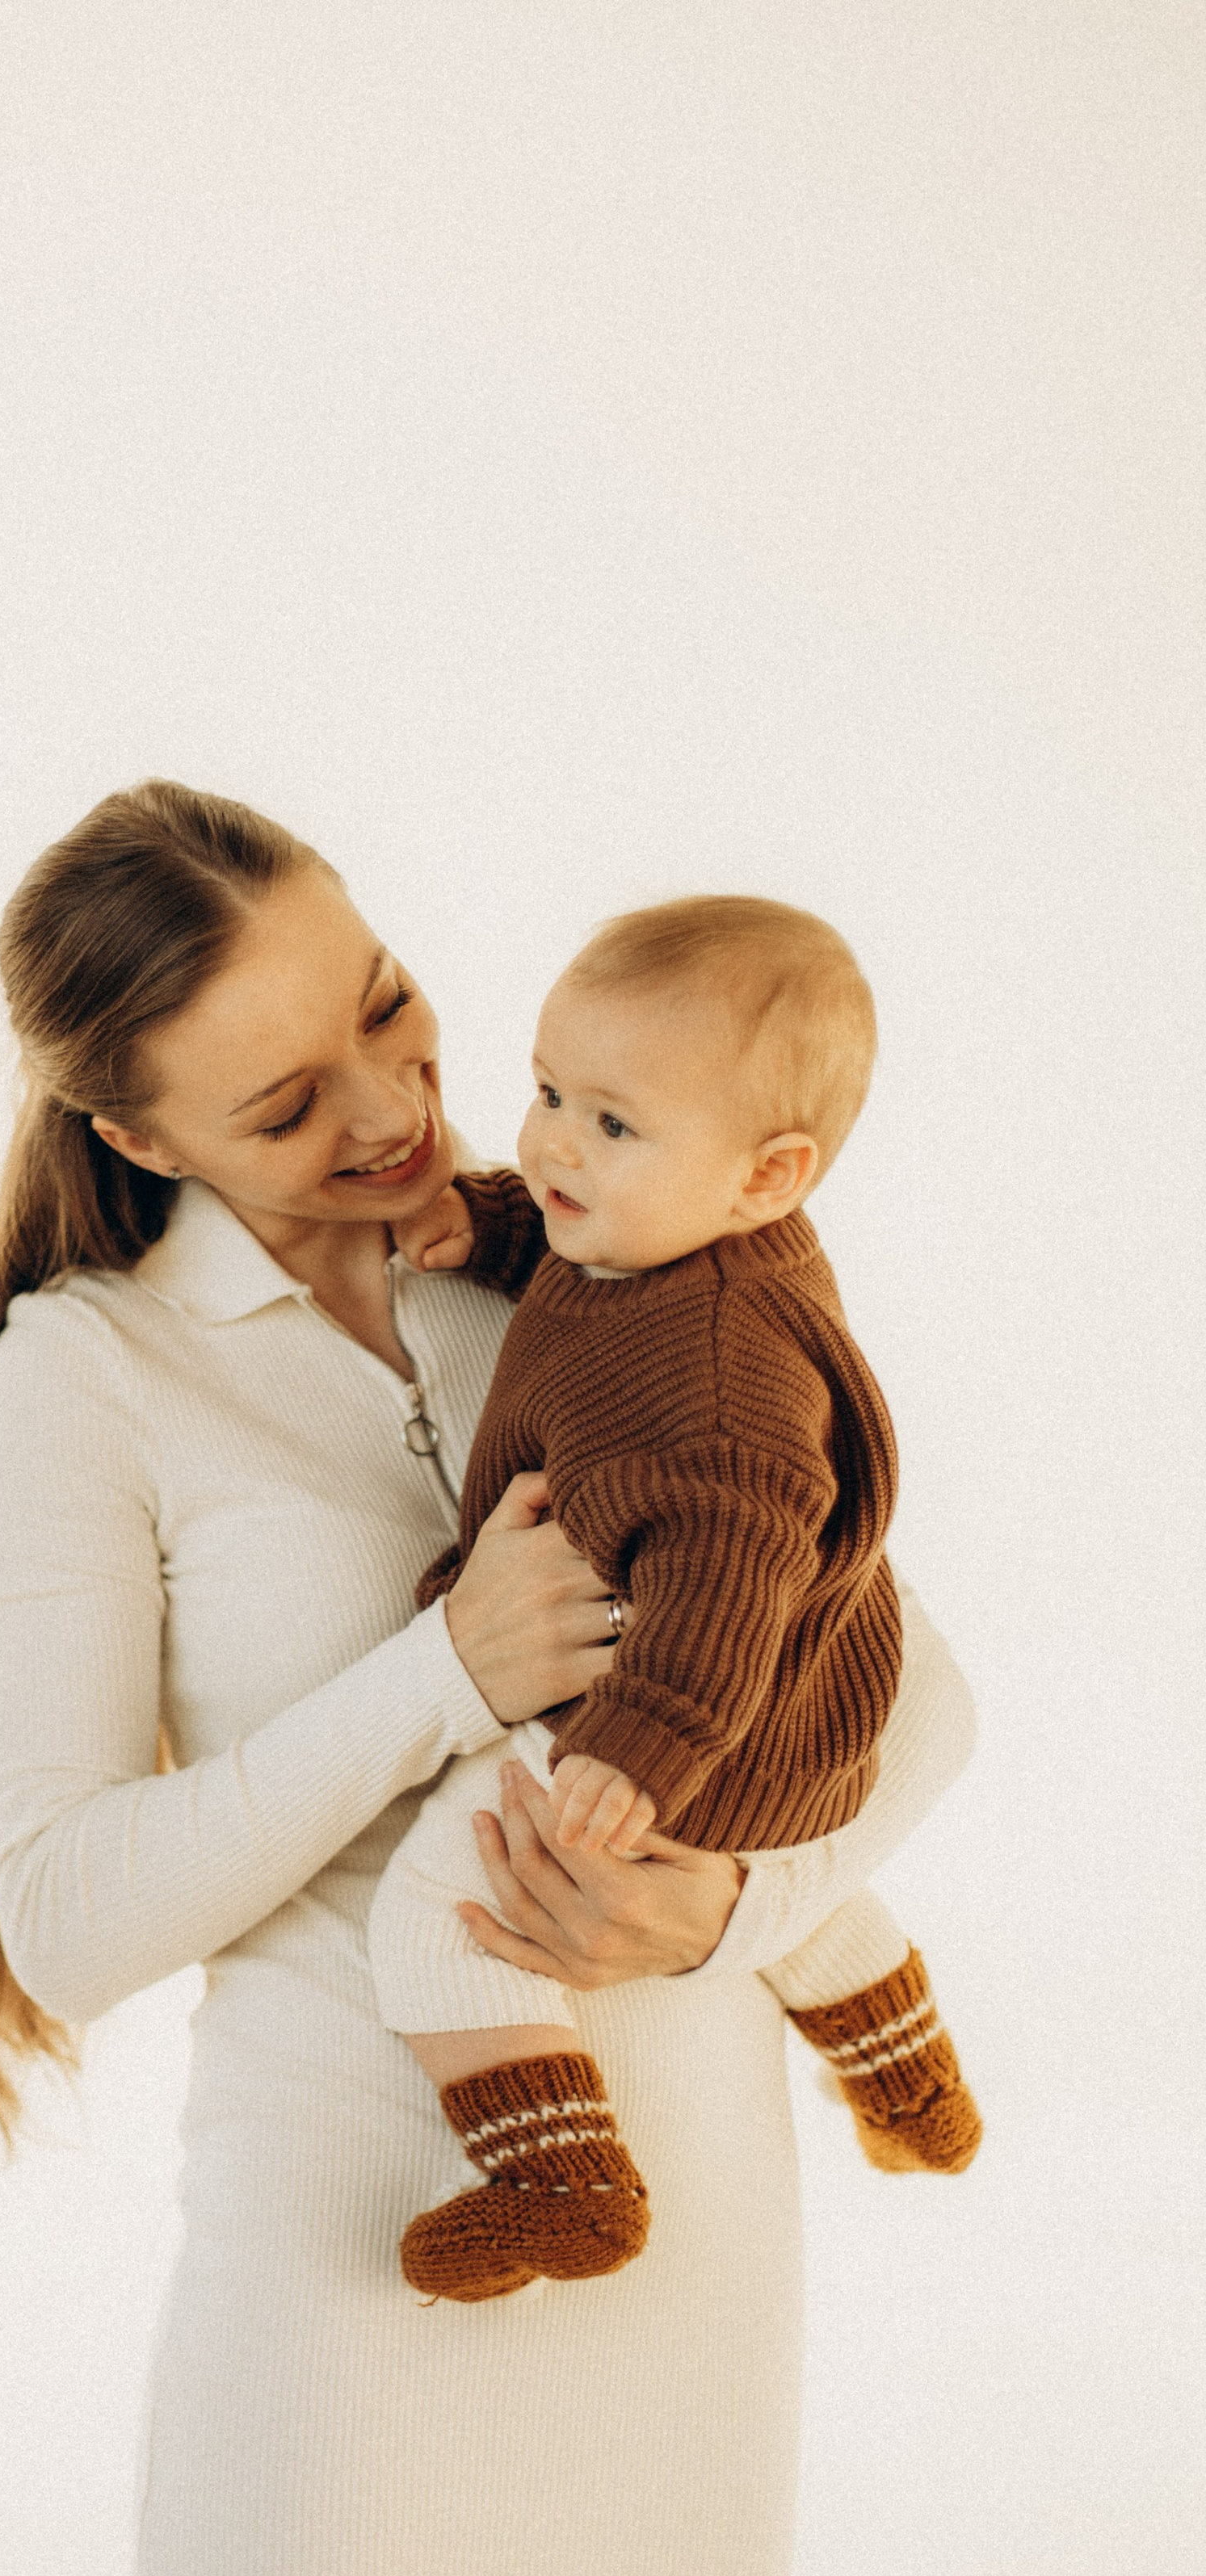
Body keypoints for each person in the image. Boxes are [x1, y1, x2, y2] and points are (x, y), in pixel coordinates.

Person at [0, 782, 976, 2576]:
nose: (399, 1108)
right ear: (129, 1123)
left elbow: (919, 1688)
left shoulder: (596, 1239)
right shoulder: (89, 1375)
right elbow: (67, 1920)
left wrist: (729, 1901)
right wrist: (442, 1679)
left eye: (389, 1005)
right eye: (290, 1103)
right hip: (352, 2248)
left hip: (682, 2271)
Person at [371, 895, 980, 2305]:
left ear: (770, 1176)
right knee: (802, 1888)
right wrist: (498, 1230)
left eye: (612, 1126)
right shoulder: (680, 1236)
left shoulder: (719, 1394)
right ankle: (902, 2063)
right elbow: (592, 1274)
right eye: (546, 1092)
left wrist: (627, 1761)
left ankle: (558, 2178)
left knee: (433, 1908)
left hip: (700, 1710)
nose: (551, 1144)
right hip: (810, 1716)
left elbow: (724, 1587)